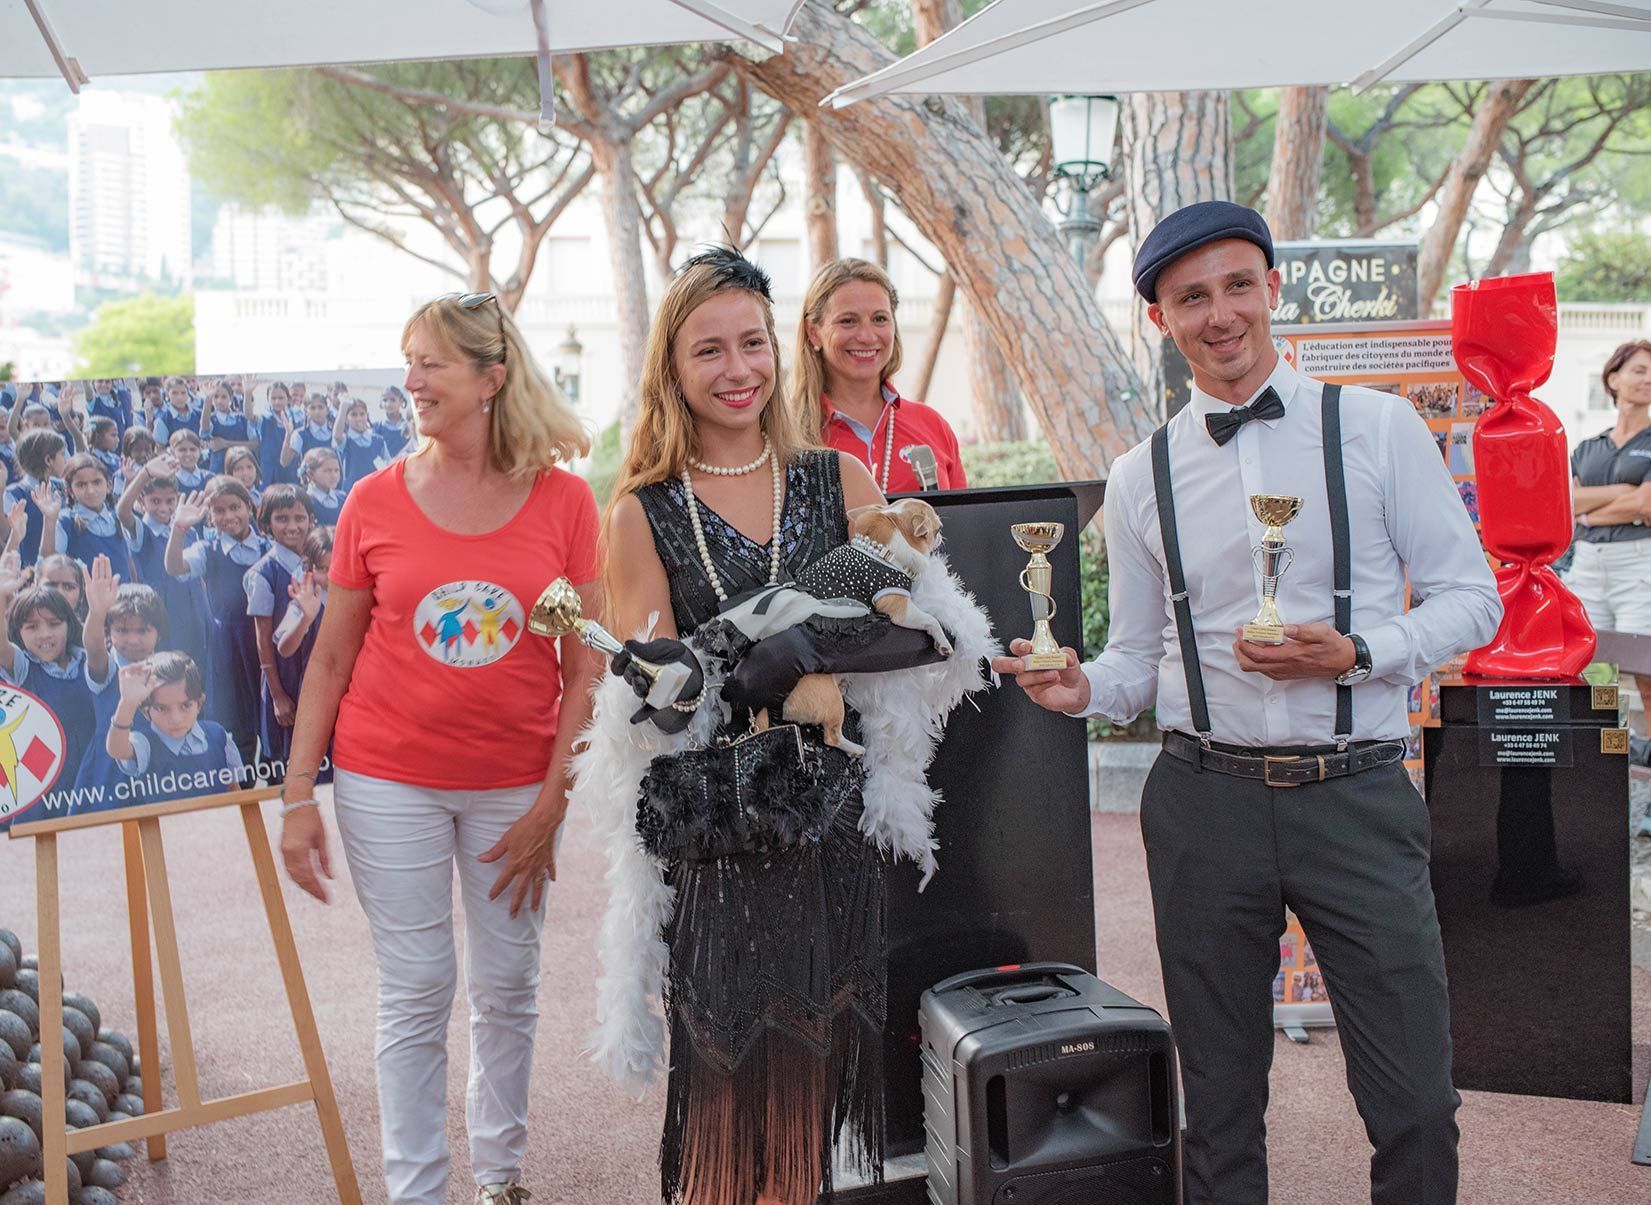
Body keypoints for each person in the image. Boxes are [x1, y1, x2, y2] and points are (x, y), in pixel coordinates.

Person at [994, 202, 1502, 1205]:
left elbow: (1470, 598)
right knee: (1218, 1104)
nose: (1219, 313)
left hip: (1356, 795)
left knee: (1414, 1098)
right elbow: (1138, 657)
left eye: (1237, 286)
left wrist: (1358, 651)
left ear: (1272, 288)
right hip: (1202, 803)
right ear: (1160, 320)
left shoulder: (1375, 426)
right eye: (1191, 298)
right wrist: (1081, 687)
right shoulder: (1140, 475)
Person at [277, 291, 599, 1205]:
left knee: (507, 985)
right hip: (388, 780)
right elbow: (330, 657)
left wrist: (552, 803)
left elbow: (586, 667)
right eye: (408, 360)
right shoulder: (372, 501)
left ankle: (499, 1179)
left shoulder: (566, 501)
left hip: (518, 784)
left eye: (431, 363)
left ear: (491, 379)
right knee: (417, 986)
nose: (411, 379)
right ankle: (415, 1191)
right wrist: (297, 797)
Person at [603, 248, 902, 1205]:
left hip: (835, 830)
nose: (738, 370)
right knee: (731, 1119)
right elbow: (649, 704)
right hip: (725, 844)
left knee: (808, 1112)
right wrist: (713, 674)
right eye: (709, 350)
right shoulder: (642, 511)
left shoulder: (838, 477)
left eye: (752, 344)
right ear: (671, 368)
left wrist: (810, 648)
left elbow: (918, 629)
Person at [792, 257, 967, 493]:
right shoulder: (787, 434)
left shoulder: (932, 426)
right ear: (813, 332)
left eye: (880, 319)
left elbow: (962, 516)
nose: (867, 336)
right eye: (848, 321)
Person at [1565, 339, 1651, 733]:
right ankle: (1600, 759)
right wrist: (1622, 493)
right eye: (1639, 370)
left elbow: (1645, 504)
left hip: (1637, 565)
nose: (1647, 379)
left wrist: (1590, 512)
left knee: (1646, 672)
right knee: (1591, 670)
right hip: (1588, 565)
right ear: (1613, 379)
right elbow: (1566, 502)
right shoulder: (1587, 449)